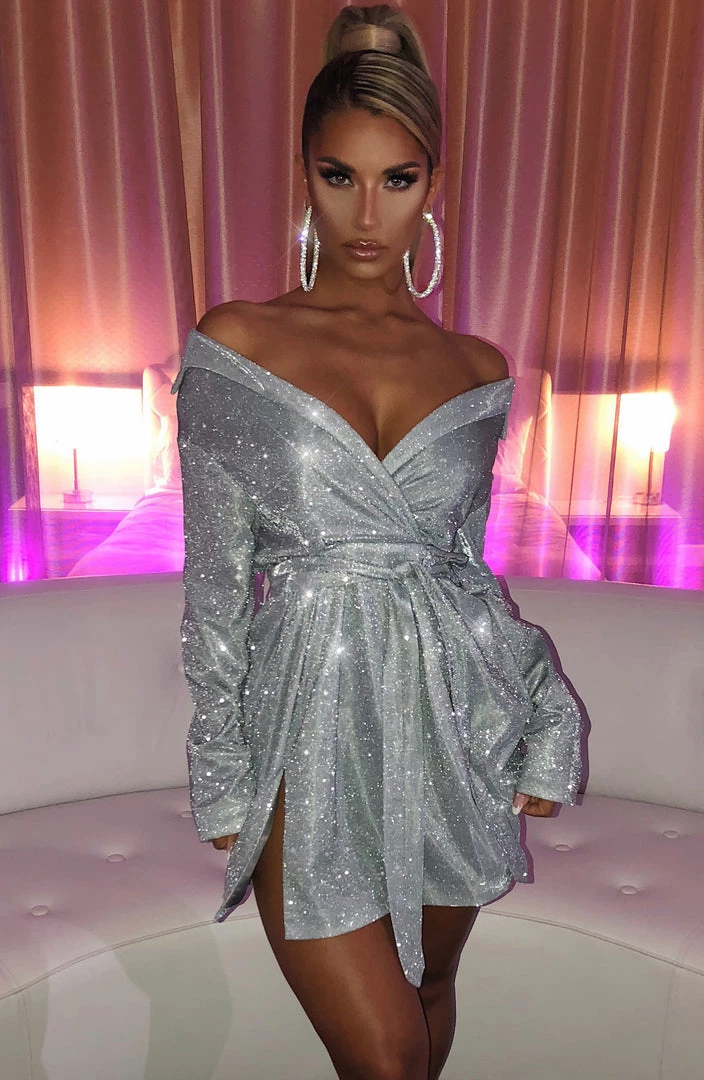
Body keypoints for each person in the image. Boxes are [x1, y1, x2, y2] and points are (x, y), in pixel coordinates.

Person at [170, 6, 583, 1079]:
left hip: (450, 726)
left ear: (432, 184)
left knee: (430, 988)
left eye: (397, 180)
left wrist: (544, 713)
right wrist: (220, 770)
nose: (367, 213)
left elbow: (464, 575)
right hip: (302, 730)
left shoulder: (478, 367)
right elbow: (215, 586)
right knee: (387, 1057)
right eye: (338, 176)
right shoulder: (238, 341)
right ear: (303, 176)